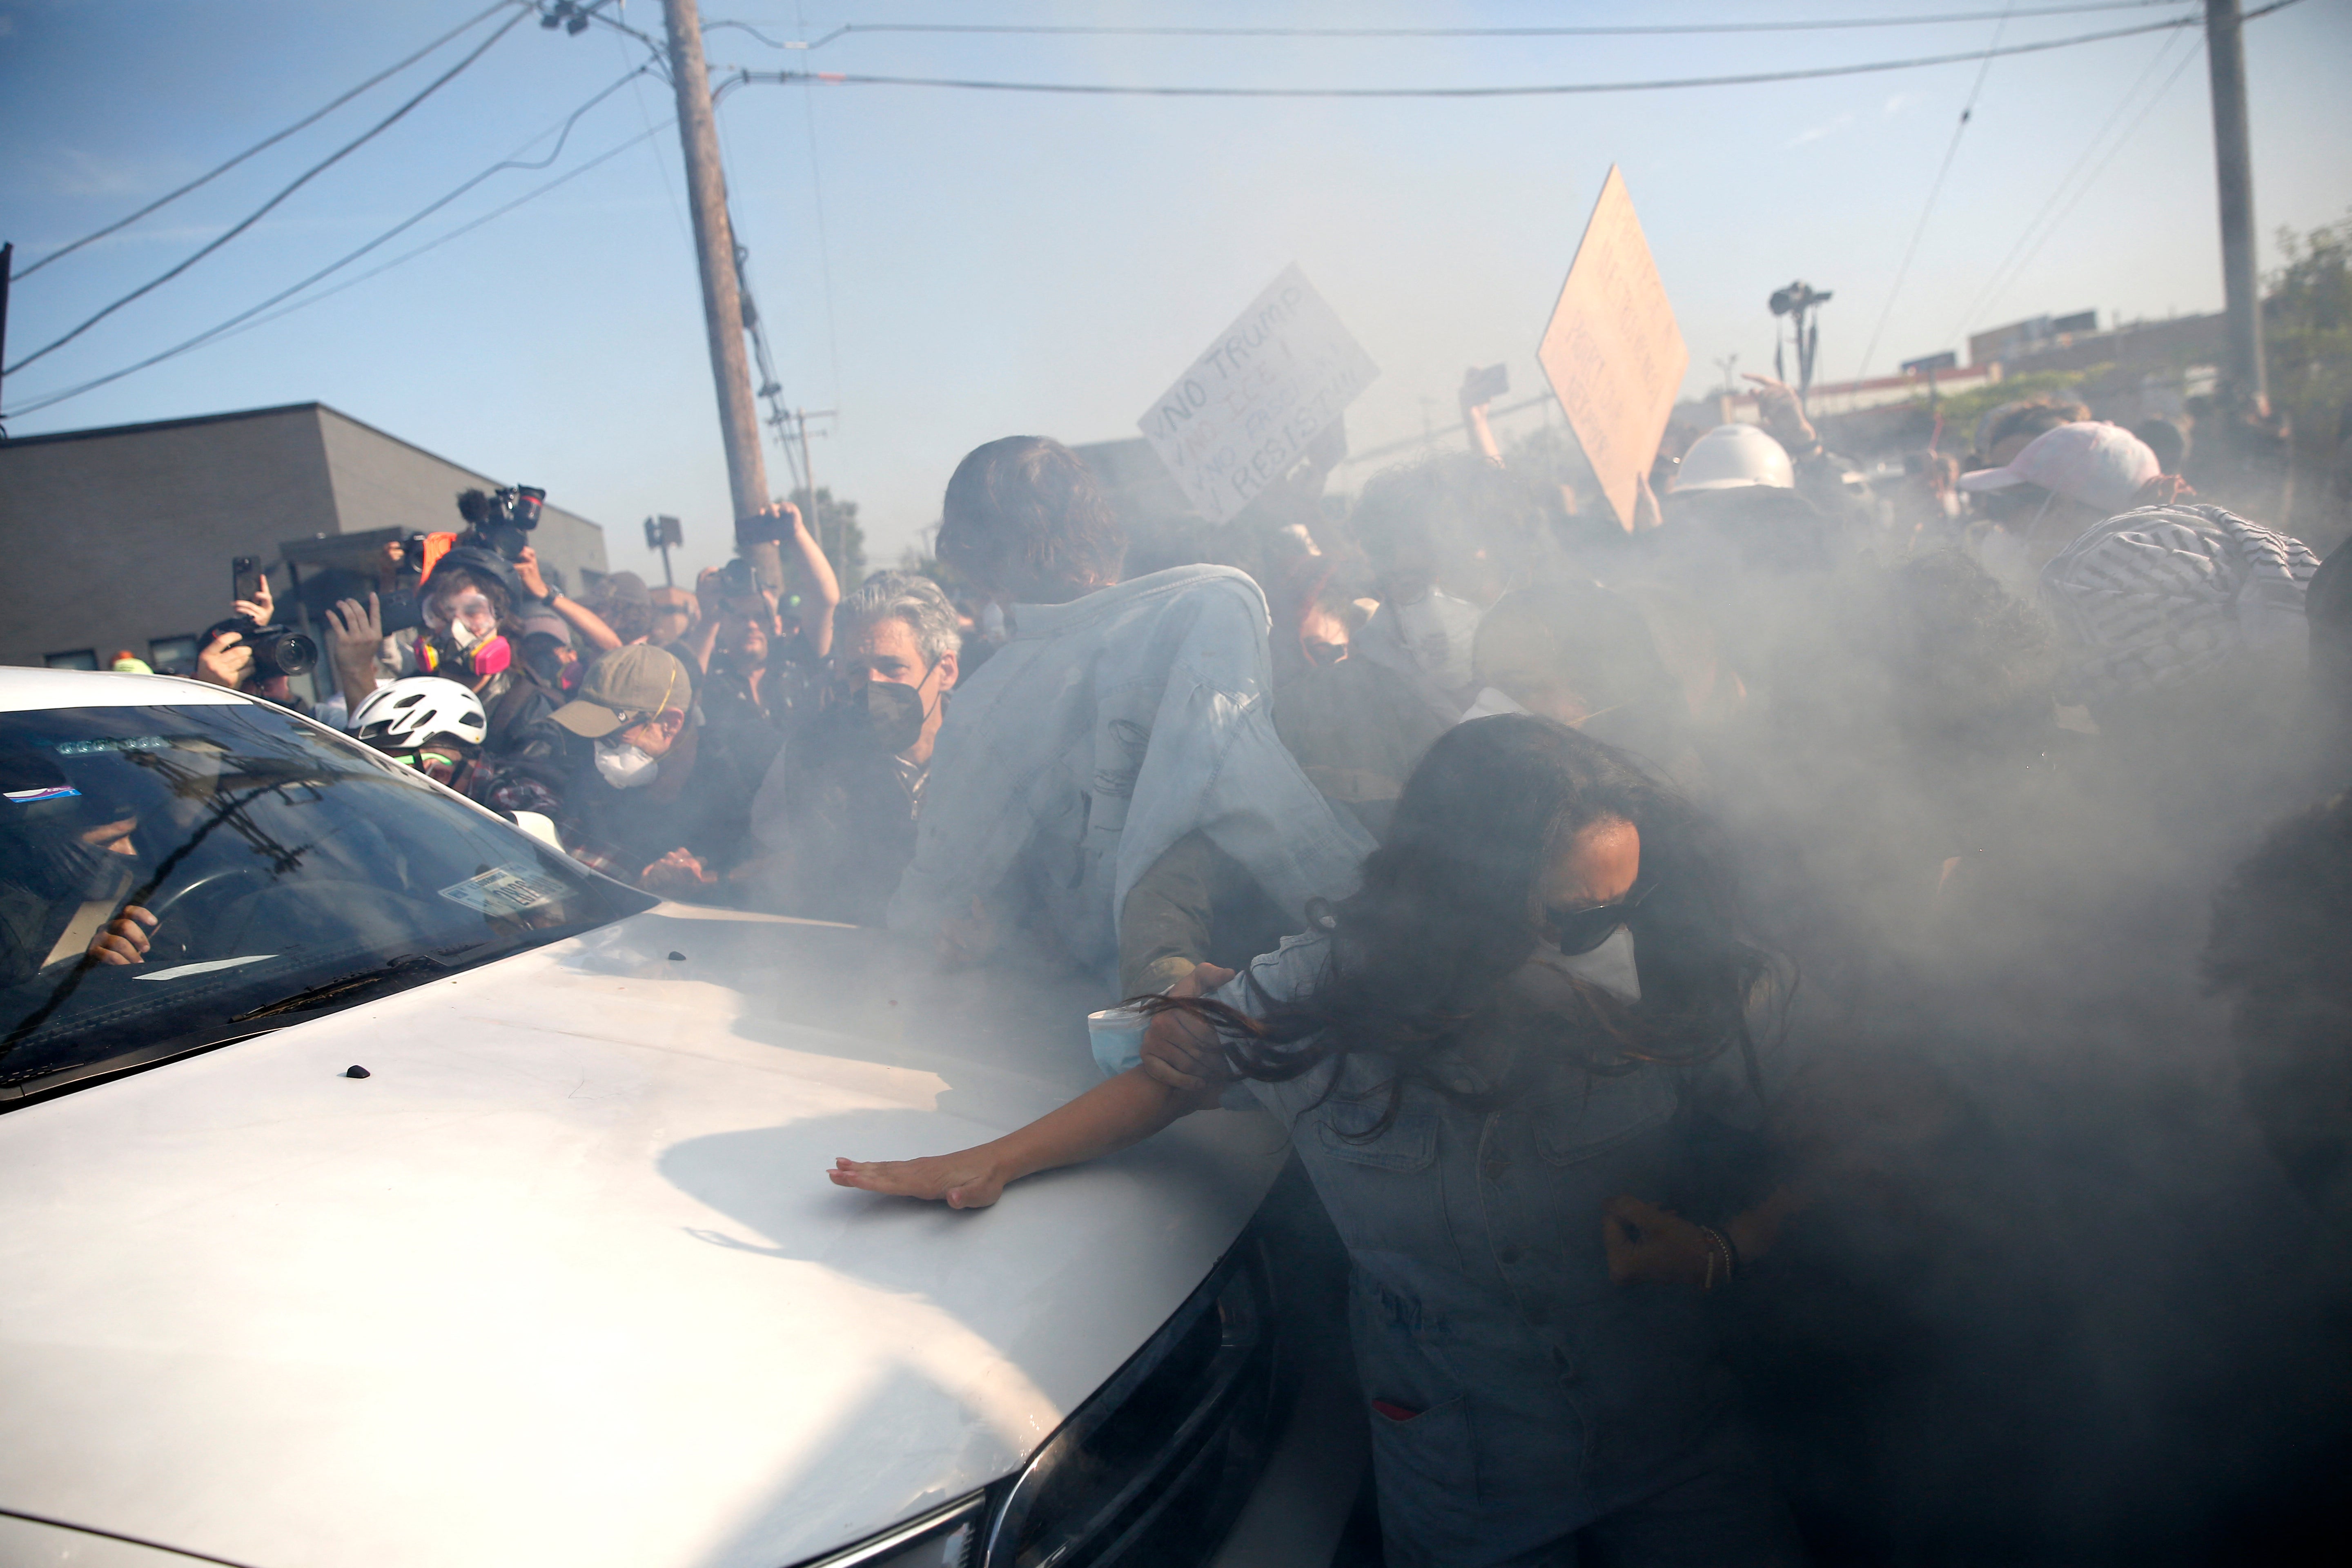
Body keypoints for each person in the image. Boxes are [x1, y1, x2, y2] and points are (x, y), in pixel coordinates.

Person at [834, 717, 1811, 1567]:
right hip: (1464, 1464)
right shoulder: (1320, 990)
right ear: (1466, 893)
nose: (1609, 943)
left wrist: (1726, 1246)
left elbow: (1849, 1143)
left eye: (1622, 908)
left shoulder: (1670, 984)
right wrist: (994, 1160)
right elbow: (1165, 1086)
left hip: (1673, 1435)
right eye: (1573, 917)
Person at [890, 435, 1373, 994]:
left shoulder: (984, 709)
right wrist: (1373, 922)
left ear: (976, 561)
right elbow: (1263, 804)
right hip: (1270, 970)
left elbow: (934, 894)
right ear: (1099, 527)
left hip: (1106, 1007)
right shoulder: (1209, 607)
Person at [745, 572, 961, 924]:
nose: (874, 685)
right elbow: (801, 877)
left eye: (892, 667)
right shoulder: (816, 754)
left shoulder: (988, 749)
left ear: (945, 670)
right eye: (858, 671)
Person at [544, 644, 778, 899]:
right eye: (593, 732)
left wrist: (704, 881)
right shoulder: (588, 777)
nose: (599, 748)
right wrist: (640, 890)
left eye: (613, 734)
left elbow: (779, 866)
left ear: (670, 724)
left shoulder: (739, 780)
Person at [1958, 421, 2172, 600]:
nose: (2001, 522)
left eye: (2008, 504)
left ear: (2062, 508)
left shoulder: (2130, 604)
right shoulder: (2011, 569)